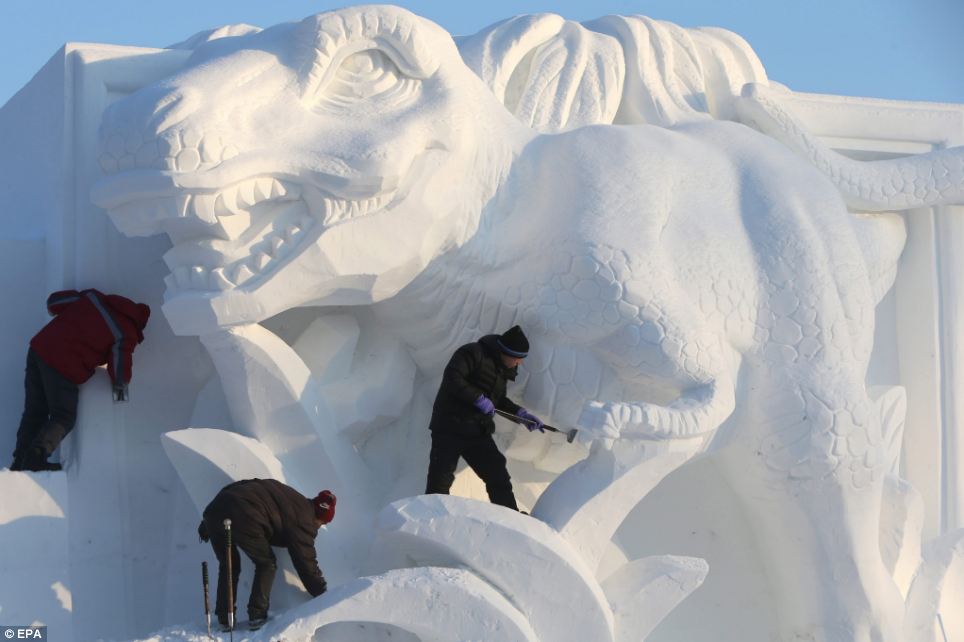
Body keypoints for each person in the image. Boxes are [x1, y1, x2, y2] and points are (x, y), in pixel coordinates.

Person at [10, 289, 150, 472]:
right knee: (63, 416)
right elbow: (120, 367)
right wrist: (121, 395)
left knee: (35, 411)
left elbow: (54, 303)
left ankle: (19, 462)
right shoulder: (125, 332)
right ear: (139, 324)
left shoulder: (94, 298)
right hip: (63, 365)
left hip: (38, 349)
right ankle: (35, 458)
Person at [425, 325, 545, 511]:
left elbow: (497, 401)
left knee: (498, 475)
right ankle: (428, 521)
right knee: (440, 481)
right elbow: (452, 378)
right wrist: (477, 398)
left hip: (477, 432)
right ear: (507, 352)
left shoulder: (501, 368)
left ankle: (512, 517)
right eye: (518, 359)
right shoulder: (472, 353)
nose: (519, 364)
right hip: (449, 428)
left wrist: (520, 415)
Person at [198, 479, 334, 630]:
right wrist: (323, 593)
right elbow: (306, 563)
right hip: (245, 515)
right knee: (266, 564)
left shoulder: (291, 496)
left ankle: (225, 619)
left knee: (229, 564)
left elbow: (243, 484)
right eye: (323, 523)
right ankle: (257, 615)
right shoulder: (305, 520)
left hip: (214, 511)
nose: (320, 527)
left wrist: (207, 522)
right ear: (320, 517)